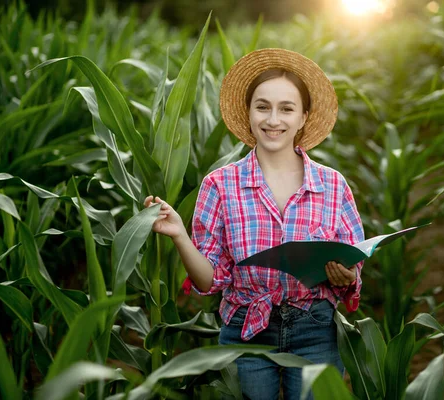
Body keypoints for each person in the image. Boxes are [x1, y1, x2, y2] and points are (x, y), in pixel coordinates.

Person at [144, 48, 364, 400]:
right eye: (262, 106)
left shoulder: (333, 185)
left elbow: (355, 261)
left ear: (304, 116)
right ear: (248, 113)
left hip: (315, 328)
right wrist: (180, 236)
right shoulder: (220, 185)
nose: (273, 119)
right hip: (245, 329)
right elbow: (211, 279)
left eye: (286, 108)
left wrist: (348, 274)